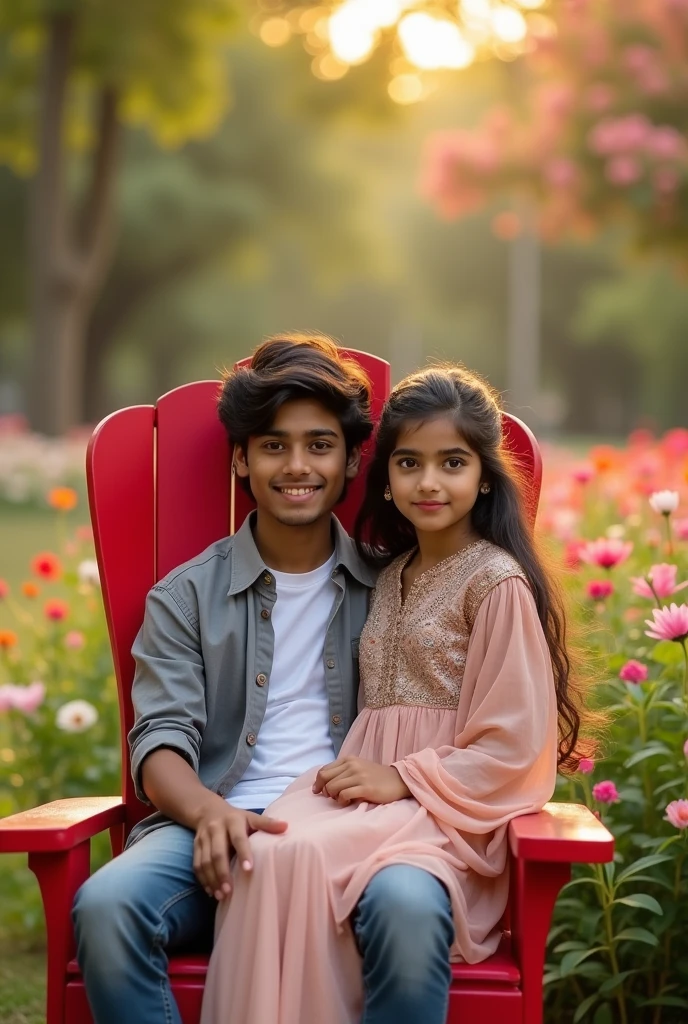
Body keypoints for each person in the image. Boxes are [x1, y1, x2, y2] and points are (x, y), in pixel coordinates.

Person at [73, 335, 454, 1024]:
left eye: (319, 444)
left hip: (363, 830)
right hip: (210, 825)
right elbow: (159, 742)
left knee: (410, 910)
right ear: (242, 460)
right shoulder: (185, 597)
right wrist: (207, 812)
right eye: (274, 445)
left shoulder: (396, 589)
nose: (297, 465)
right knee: (107, 907)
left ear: (348, 462)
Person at [200, 363, 592, 1024]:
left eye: (452, 463)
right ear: (385, 475)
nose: (429, 482)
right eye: (409, 463)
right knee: (264, 853)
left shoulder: (495, 583)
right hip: (366, 802)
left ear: (483, 475)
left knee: (289, 853)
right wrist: (377, 781)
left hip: (449, 815)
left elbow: (515, 743)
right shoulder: (390, 575)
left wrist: (402, 778)